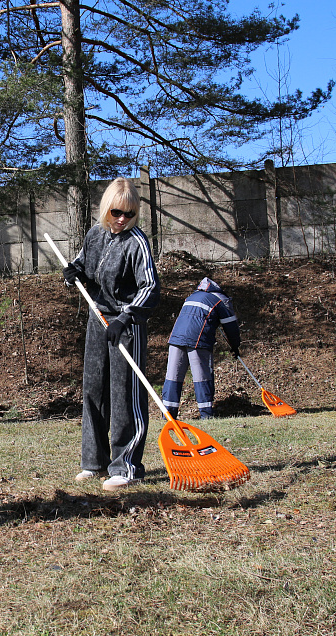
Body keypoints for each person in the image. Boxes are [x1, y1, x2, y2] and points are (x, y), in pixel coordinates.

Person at [62, 177, 160, 491]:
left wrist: (127, 317)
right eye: (116, 212)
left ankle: (126, 465)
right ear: (106, 209)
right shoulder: (94, 235)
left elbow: (150, 287)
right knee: (93, 389)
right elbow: (82, 267)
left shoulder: (137, 243)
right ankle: (95, 462)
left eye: (129, 214)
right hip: (98, 316)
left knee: (124, 393)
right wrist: (72, 274)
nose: (122, 219)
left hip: (127, 324)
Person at [161, 277, 241, 420]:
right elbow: (231, 327)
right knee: (202, 377)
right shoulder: (220, 300)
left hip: (176, 338)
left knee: (173, 376)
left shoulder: (192, 296)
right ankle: (206, 415)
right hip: (198, 340)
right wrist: (235, 346)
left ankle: (168, 416)